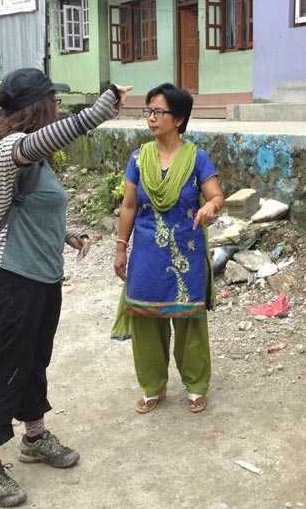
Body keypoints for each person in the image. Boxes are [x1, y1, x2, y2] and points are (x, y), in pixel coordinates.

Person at [0, 68, 131, 507]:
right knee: (7, 366)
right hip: (10, 279)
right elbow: (55, 136)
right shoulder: (9, 149)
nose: (57, 107)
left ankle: (34, 438)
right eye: (53, 102)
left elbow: (30, 208)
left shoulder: (31, 160)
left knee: (34, 359)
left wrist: (67, 235)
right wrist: (103, 107)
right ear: (38, 107)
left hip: (41, 276)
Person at [113, 83, 224, 415]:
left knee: (189, 319)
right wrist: (121, 248)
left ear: (178, 119)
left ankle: (195, 384)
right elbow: (129, 206)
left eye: (158, 111)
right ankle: (153, 384)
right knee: (146, 318)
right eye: (148, 110)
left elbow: (217, 195)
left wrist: (210, 208)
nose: (150, 117)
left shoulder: (196, 158)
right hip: (147, 251)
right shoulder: (139, 158)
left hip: (186, 252)